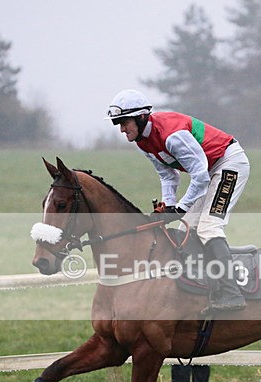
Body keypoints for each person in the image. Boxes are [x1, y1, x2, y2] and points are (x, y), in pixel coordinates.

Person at [106, 89, 251, 314]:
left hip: (228, 164)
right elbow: (168, 176)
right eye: (119, 124)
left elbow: (200, 175)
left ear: (141, 117)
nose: (122, 129)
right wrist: (168, 205)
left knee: (209, 226)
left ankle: (232, 293)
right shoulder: (143, 141)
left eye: (124, 122)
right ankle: (208, 288)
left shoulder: (172, 136)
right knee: (190, 230)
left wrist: (181, 207)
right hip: (209, 170)